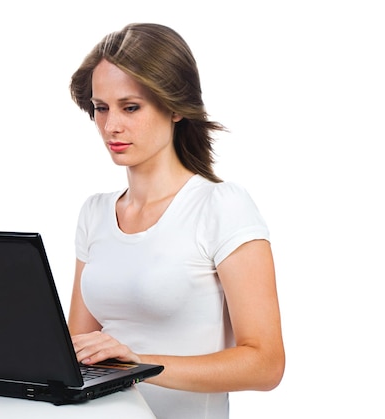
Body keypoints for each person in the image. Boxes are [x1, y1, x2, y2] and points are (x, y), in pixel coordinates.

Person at [67, 23, 285, 419]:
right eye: (101, 108)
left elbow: (266, 364)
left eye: (130, 107)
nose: (111, 126)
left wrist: (138, 366)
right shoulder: (95, 213)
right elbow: (74, 348)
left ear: (176, 107)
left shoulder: (221, 207)